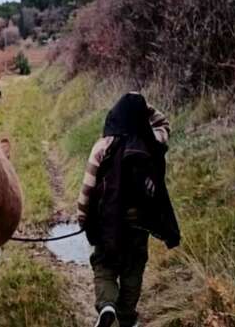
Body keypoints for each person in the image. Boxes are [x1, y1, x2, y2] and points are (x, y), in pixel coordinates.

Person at [77, 93, 180, 327]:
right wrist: (144, 107)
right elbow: (164, 124)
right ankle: (126, 317)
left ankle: (107, 306)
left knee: (104, 265)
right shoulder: (152, 142)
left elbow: (87, 189)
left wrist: (83, 219)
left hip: (107, 223)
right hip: (139, 224)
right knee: (133, 270)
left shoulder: (103, 146)